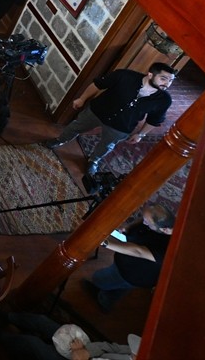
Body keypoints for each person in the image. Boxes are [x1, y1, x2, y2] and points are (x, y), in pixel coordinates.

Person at [47, 62, 176, 177]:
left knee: (106, 145)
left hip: (121, 126)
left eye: (170, 80)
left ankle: (94, 160)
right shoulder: (124, 75)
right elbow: (98, 84)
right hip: (97, 112)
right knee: (75, 126)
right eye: (163, 79)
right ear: (150, 74)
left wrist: (140, 134)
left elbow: (154, 120)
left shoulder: (164, 100)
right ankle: (60, 140)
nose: (167, 84)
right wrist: (82, 99)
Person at [88, 205, 175, 312]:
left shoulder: (167, 250)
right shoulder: (166, 223)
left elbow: (138, 251)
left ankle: (103, 299)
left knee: (99, 278)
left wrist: (104, 242)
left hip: (133, 273)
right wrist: (129, 226)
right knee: (119, 289)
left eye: (147, 222)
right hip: (129, 263)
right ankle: (108, 299)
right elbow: (143, 219)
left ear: (164, 230)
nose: (144, 223)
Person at [0, 311, 139, 360]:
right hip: (84, 351)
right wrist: (86, 351)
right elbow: (109, 347)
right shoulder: (134, 352)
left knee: (32, 343)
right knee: (41, 321)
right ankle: (6, 316)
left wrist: (78, 355)